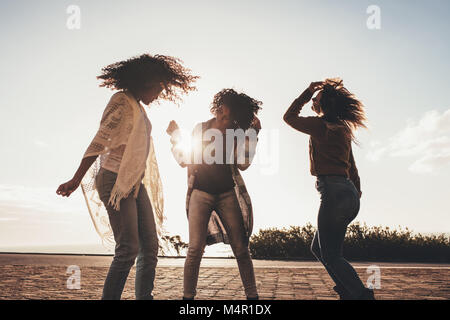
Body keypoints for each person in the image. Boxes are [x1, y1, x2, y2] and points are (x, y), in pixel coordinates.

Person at [56, 54, 198, 300]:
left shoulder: (138, 106)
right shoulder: (122, 101)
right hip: (114, 180)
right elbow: (99, 141)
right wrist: (76, 179)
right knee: (128, 249)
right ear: (144, 82)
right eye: (158, 87)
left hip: (134, 183)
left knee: (150, 248)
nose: (159, 93)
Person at [283, 78, 375, 300]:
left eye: (316, 99)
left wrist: (306, 92)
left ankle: (361, 295)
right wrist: (357, 191)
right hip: (349, 194)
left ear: (323, 105)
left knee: (331, 255)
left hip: (334, 193)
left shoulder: (320, 125)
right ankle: (347, 290)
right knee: (320, 249)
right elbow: (352, 165)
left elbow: (288, 117)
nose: (313, 101)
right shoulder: (342, 129)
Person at [167, 89, 262, 300]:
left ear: (233, 115)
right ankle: (187, 298)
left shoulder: (236, 133)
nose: (221, 112)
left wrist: (254, 135)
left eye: (226, 111)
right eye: (221, 108)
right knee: (194, 250)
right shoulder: (201, 128)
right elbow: (185, 159)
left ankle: (252, 297)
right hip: (200, 193)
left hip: (227, 194)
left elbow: (243, 164)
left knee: (241, 248)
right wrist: (175, 137)